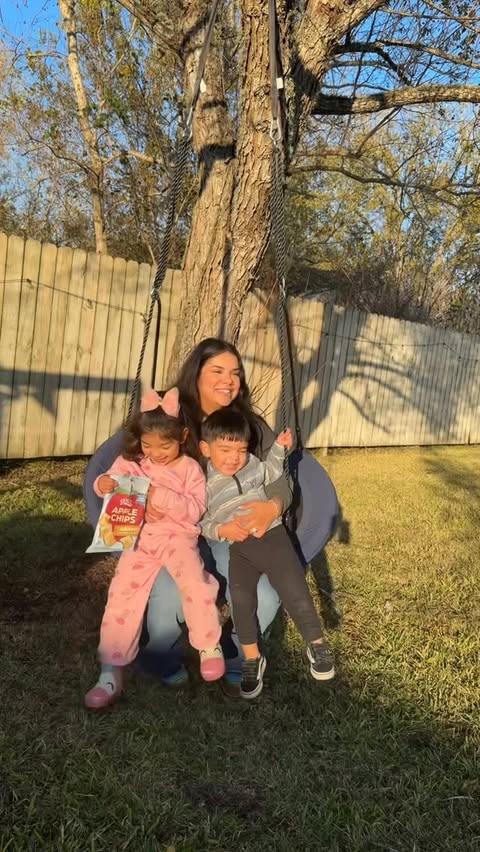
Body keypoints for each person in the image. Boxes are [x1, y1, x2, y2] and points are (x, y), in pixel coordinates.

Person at [138, 338, 290, 691]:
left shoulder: (249, 425)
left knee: (265, 595)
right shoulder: (169, 414)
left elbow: (279, 478)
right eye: (217, 371)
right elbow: (133, 458)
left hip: (231, 530)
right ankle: (160, 652)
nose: (229, 380)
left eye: (235, 373)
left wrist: (273, 506)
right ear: (196, 374)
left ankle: (237, 650)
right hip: (175, 531)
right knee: (171, 592)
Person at [84, 387, 224, 710]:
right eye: (148, 444)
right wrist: (103, 484)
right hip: (140, 538)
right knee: (122, 595)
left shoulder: (190, 469)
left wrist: (158, 497)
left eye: (165, 445)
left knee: (193, 579)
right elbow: (109, 481)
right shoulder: (133, 461)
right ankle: (110, 670)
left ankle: (208, 644)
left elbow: (194, 509)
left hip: (177, 537)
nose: (156, 453)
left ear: (183, 436)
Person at [199, 408, 335, 699]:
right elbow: (203, 522)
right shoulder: (204, 487)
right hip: (240, 549)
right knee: (242, 600)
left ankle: (317, 644)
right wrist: (222, 531)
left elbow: (274, 471)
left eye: (241, 450)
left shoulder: (252, 466)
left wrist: (279, 448)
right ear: (205, 449)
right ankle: (252, 659)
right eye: (225, 450)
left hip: (273, 538)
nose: (235, 457)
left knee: (293, 588)